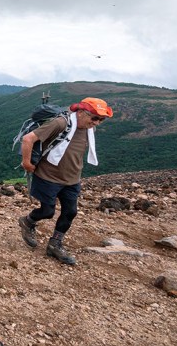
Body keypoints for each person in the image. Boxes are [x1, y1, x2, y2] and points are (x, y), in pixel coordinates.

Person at [18, 97, 114, 265]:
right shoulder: (61, 123)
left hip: (72, 179)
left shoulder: (89, 129)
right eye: (94, 118)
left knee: (70, 212)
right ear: (81, 113)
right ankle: (28, 221)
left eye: (101, 119)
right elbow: (28, 139)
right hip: (48, 176)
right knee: (47, 211)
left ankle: (55, 244)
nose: (97, 123)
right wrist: (26, 163)